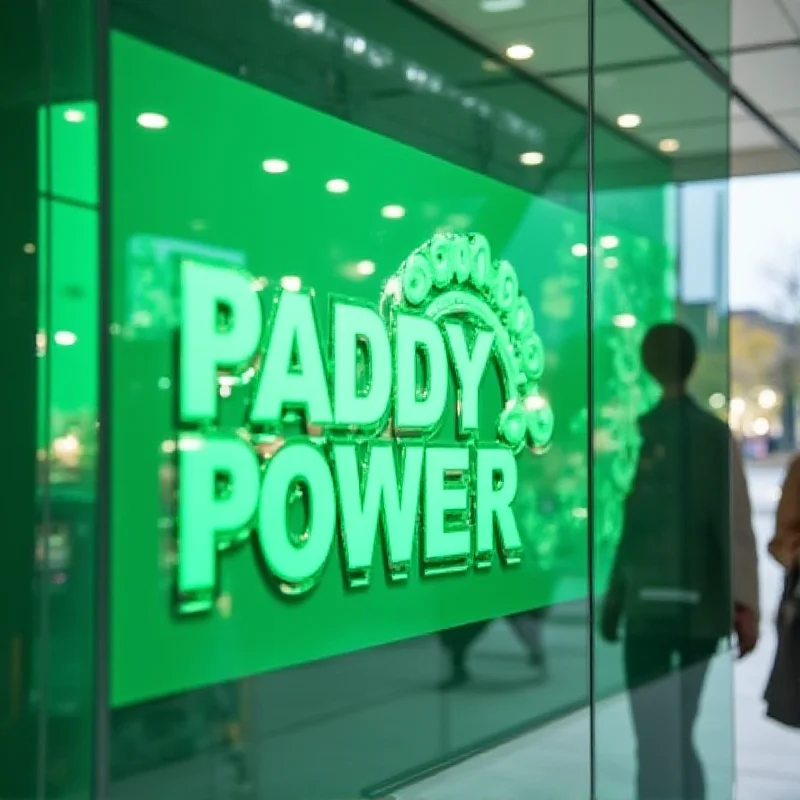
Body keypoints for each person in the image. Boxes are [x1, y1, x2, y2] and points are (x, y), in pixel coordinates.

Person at [601, 322, 760, 800]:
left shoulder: (653, 433)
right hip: (696, 612)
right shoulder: (707, 434)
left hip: (652, 610)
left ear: (650, 365)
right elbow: (733, 527)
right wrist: (744, 605)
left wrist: (615, 602)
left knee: (654, 740)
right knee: (676, 734)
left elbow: (634, 530)